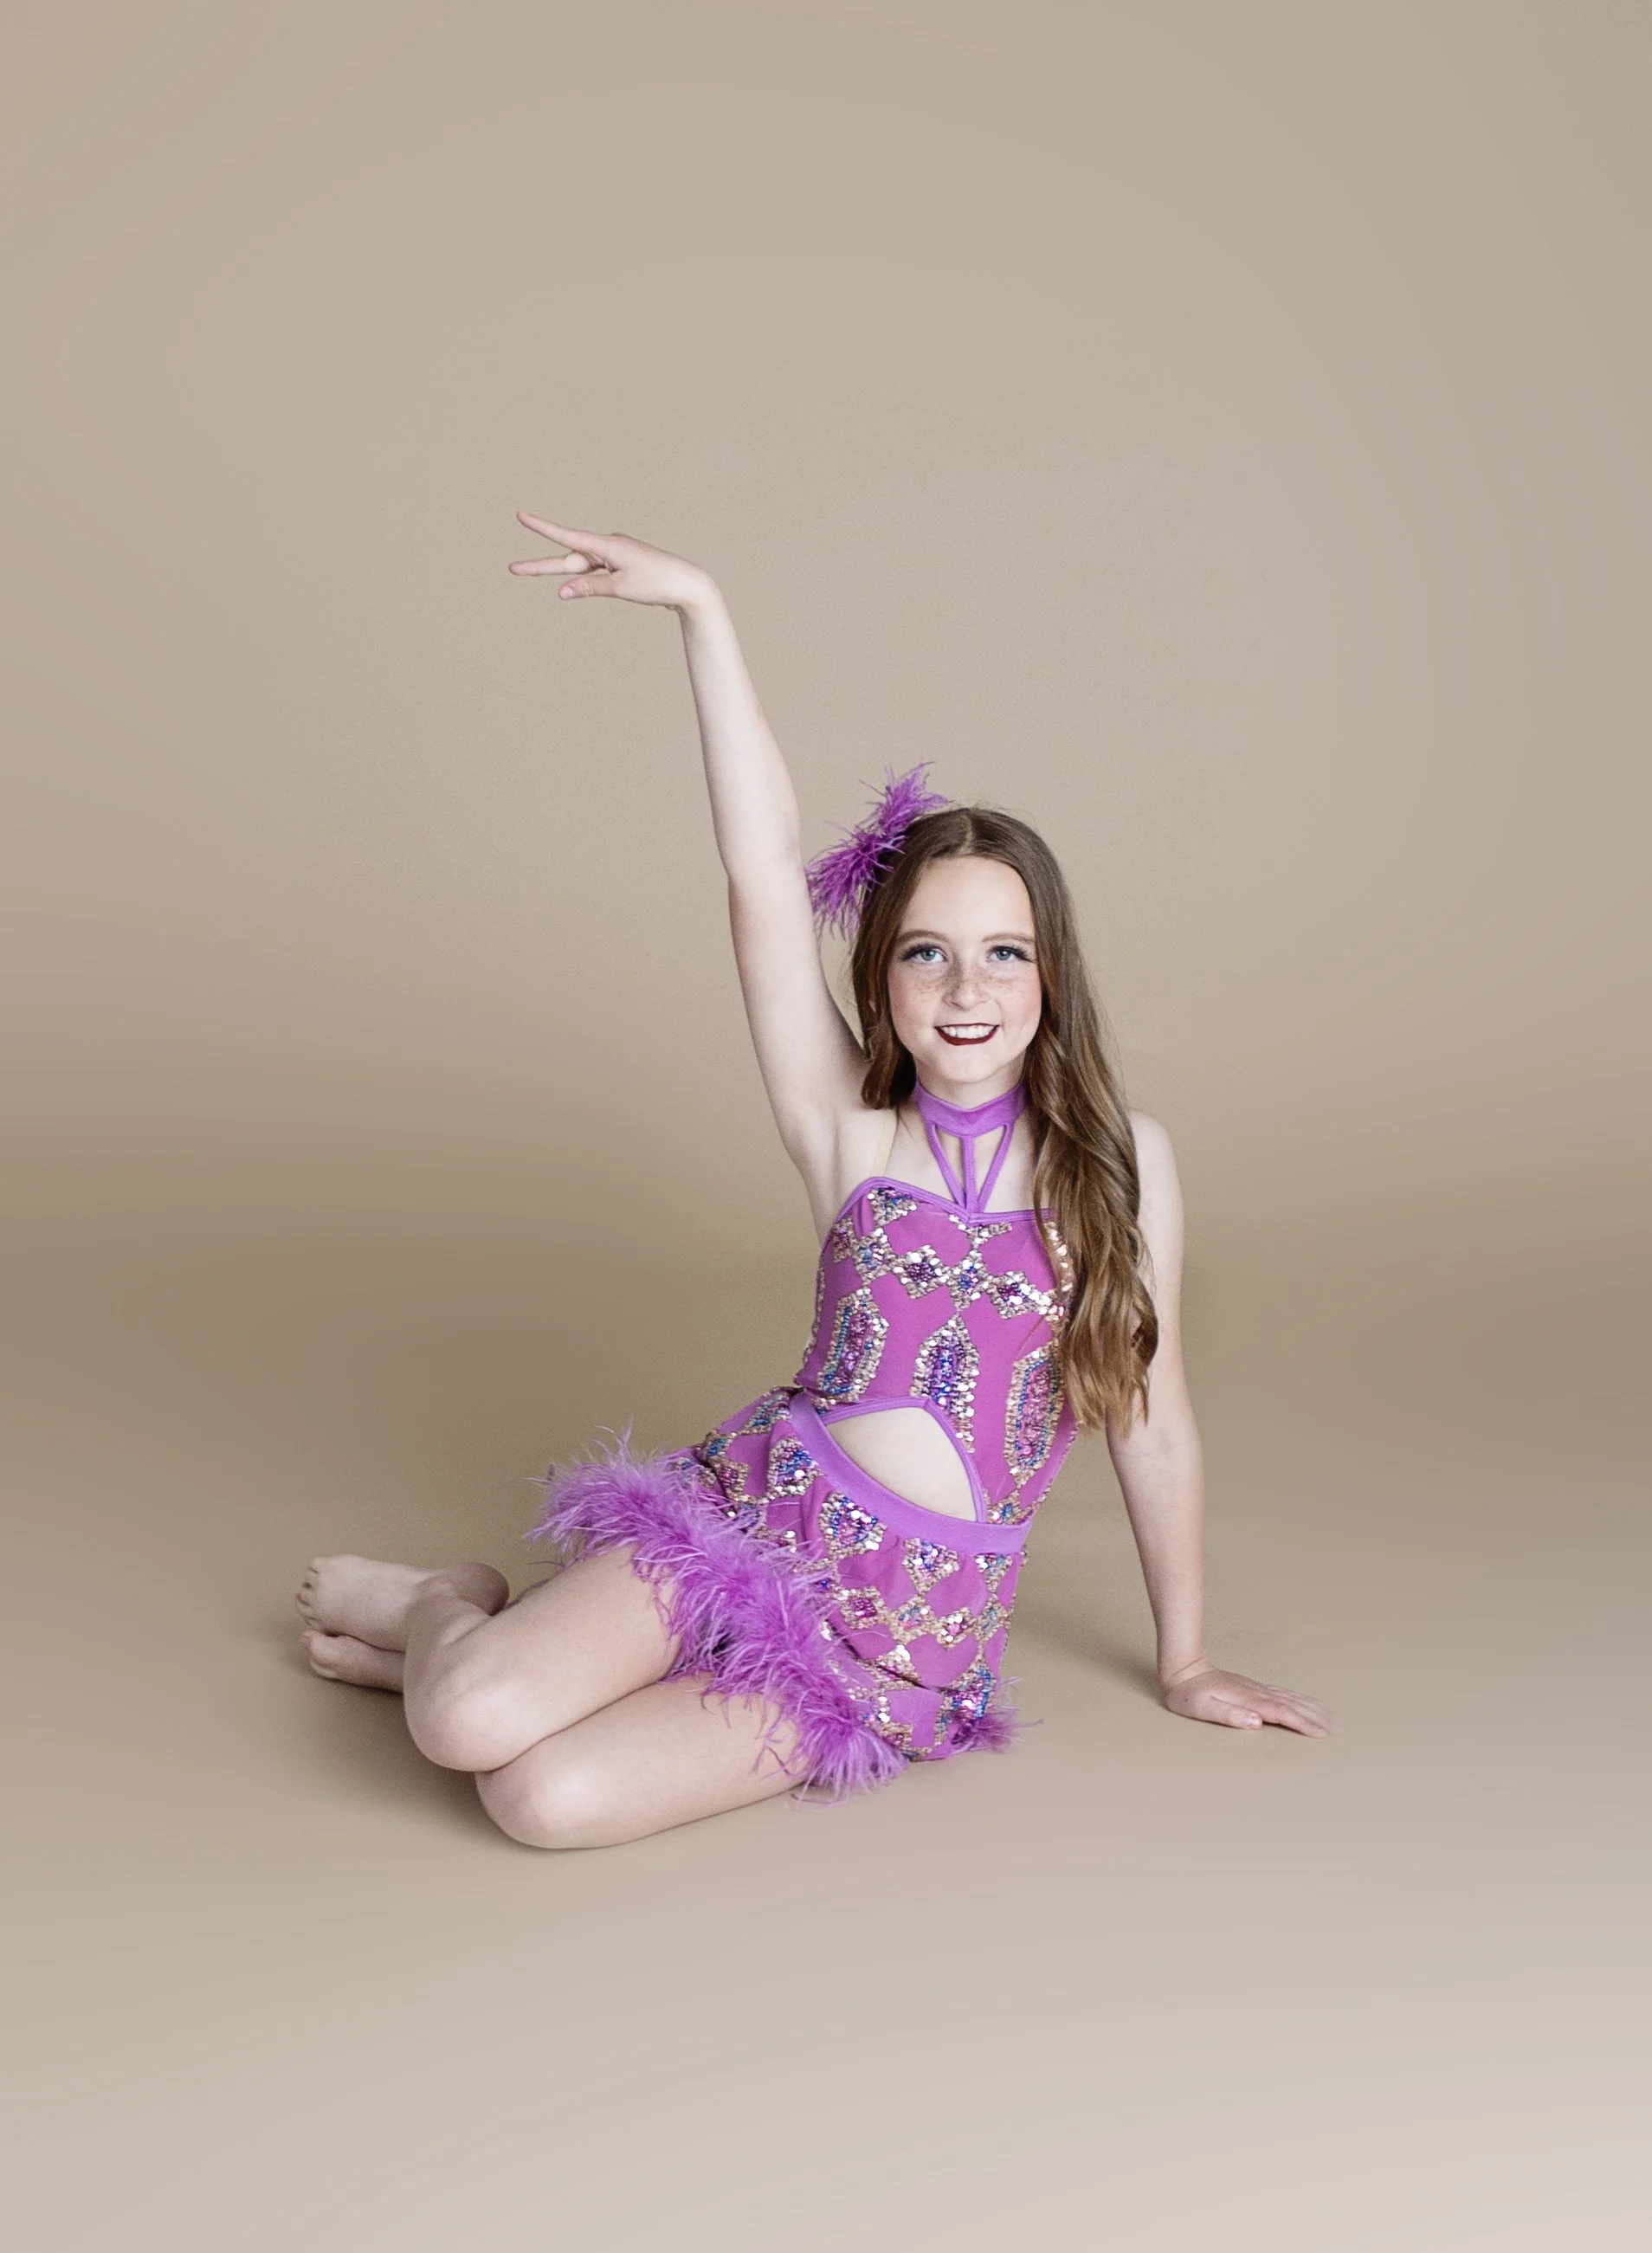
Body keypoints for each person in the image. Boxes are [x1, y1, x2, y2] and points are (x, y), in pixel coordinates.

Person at [294, 517, 1330, 1850]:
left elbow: (1155, 1423)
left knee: (543, 1799)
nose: (967, 988)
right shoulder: (851, 1131)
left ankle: (488, 1659)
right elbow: (760, 879)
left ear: (1052, 974)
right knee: (464, 1718)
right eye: (927, 953)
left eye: (1005, 952)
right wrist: (703, 611)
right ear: (881, 979)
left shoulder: (1129, 1164)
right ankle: (447, 1604)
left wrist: (1186, 1659)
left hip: (900, 1634)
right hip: (755, 1520)